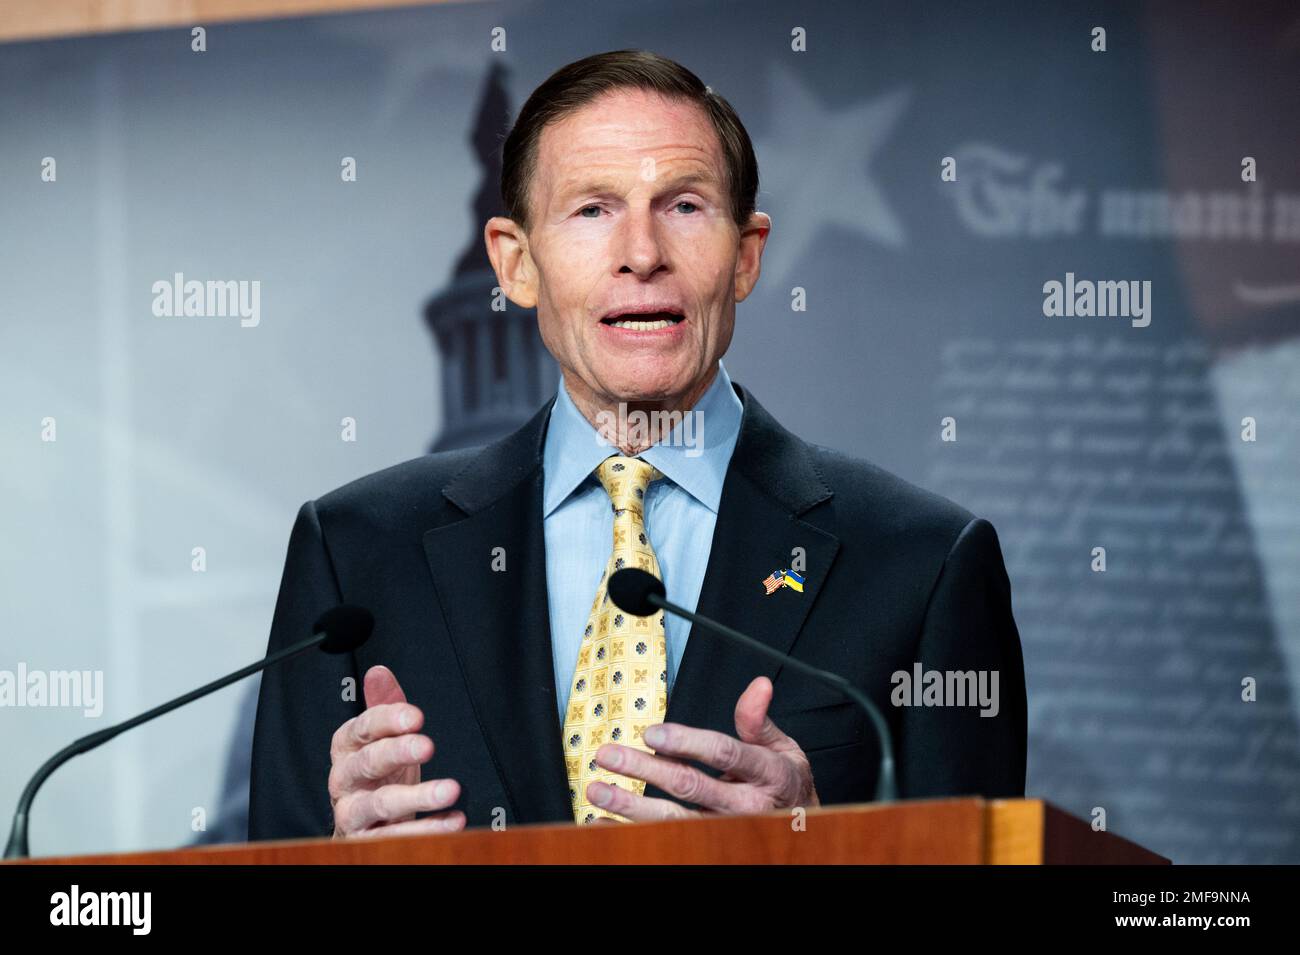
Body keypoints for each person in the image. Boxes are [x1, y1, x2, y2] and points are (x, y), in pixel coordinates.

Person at [248, 49, 1026, 840]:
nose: (643, 254)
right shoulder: (356, 556)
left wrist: (823, 852)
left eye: (684, 206)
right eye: (593, 210)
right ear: (517, 264)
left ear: (748, 255)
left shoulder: (922, 563)